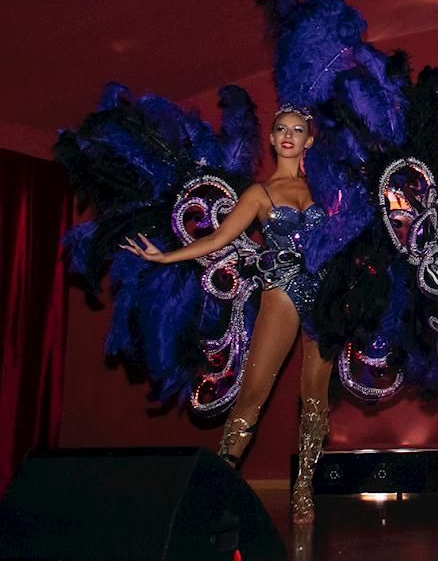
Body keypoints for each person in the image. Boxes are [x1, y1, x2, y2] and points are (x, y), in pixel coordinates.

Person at [121, 108, 331, 525]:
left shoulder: (325, 189)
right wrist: (165, 257)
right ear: (271, 138)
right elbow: (218, 238)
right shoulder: (260, 193)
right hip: (282, 293)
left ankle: (304, 488)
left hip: (326, 298)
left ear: (309, 140)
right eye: (281, 129)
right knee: (253, 392)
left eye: (298, 130)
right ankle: (217, 488)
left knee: (315, 397)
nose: (289, 136)